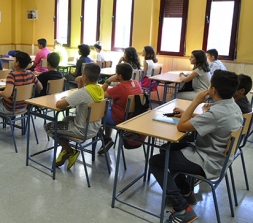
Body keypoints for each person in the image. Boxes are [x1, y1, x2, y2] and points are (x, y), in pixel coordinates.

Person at [149, 70, 243, 223]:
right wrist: (188, 114)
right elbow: (211, 121)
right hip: (219, 157)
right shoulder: (233, 106)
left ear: (213, 90)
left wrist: (195, 102)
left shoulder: (217, 112)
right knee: (167, 148)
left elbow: (181, 127)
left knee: (155, 161)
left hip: (208, 161)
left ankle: (182, 209)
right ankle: (186, 192)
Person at [44, 63, 104, 169]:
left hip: (81, 130)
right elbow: (80, 94)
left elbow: (59, 104)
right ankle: (65, 150)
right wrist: (81, 82)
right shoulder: (99, 90)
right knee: (66, 119)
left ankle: (70, 151)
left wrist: (62, 99)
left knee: (49, 127)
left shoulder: (83, 92)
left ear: (84, 76)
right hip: (95, 128)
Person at [0, 51, 43, 129]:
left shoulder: (12, 75)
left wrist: (0, 93)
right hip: (24, 106)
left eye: (15, 60)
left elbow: (7, 94)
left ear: (17, 63)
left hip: (10, 108)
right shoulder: (31, 74)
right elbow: (40, 87)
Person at [98, 63, 143, 154]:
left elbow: (100, 94)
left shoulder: (120, 88)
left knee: (93, 116)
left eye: (116, 73)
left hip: (119, 118)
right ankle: (107, 138)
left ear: (119, 76)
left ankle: (105, 139)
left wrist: (109, 80)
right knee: (108, 110)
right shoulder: (135, 83)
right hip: (132, 117)